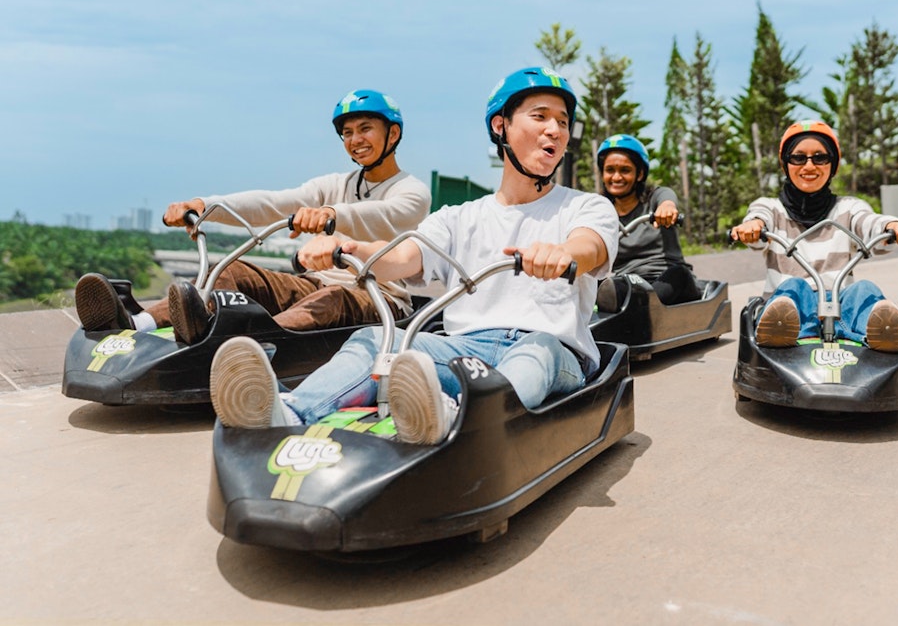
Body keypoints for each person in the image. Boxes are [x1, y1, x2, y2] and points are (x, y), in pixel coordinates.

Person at [207, 66, 618, 445]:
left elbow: (590, 247)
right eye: (540, 116)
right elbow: (403, 256)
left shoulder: (585, 207)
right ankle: (285, 413)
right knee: (374, 341)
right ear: (501, 127)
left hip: (554, 353)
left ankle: (454, 421)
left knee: (537, 352)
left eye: (562, 122)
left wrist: (562, 253)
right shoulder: (459, 217)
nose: (555, 131)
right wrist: (348, 249)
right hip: (465, 350)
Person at [74, 89, 431, 344]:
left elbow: (383, 214)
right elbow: (274, 202)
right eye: (348, 133)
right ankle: (137, 323)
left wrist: (330, 215)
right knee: (231, 272)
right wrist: (204, 205)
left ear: (393, 133)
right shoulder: (333, 184)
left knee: (328, 301)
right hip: (316, 284)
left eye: (366, 128)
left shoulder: (412, 191)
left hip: (377, 298)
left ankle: (251, 349)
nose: (356, 140)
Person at [729, 119, 898, 353]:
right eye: (798, 157)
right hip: (788, 309)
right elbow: (759, 218)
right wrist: (753, 226)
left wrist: (893, 226)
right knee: (795, 287)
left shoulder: (848, 208)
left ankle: (879, 333)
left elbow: (869, 221)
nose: (809, 166)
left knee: (864, 290)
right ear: (785, 165)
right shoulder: (771, 208)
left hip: (841, 308)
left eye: (820, 157)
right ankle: (784, 331)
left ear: (833, 165)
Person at [594, 133, 699, 312]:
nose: (616, 177)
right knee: (594, 282)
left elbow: (667, 197)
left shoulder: (654, 199)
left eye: (625, 170)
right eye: (610, 170)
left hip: (668, 278)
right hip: (630, 282)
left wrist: (667, 208)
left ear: (640, 174)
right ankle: (632, 307)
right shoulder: (601, 211)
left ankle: (638, 308)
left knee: (679, 274)